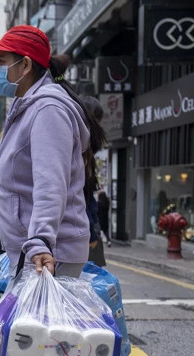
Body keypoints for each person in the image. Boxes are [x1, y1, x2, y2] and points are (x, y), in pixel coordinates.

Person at [0, 25, 106, 278]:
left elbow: (51, 183)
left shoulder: (47, 110)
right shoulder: (26, 107)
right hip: (31, 250)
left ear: (25, 65)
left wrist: (41, 240)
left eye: (2, 62)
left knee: (39, 318)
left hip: (47, 254)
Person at [81, 95, 107, 265]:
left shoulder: (86, 153)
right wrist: (91, 233)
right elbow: (80, 200)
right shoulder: (79, 153)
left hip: (88, 228)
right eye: (97, 120)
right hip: (84, 232)